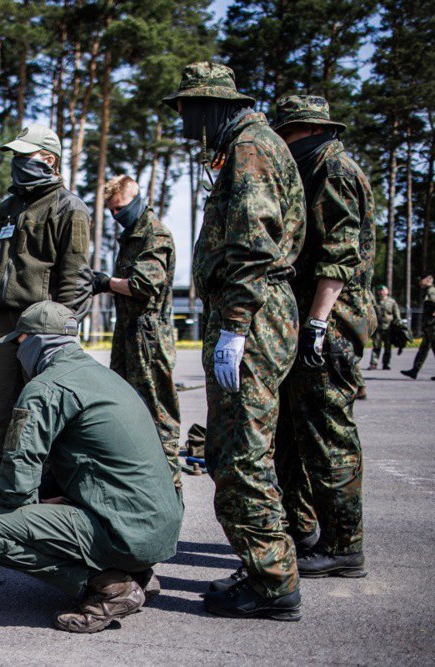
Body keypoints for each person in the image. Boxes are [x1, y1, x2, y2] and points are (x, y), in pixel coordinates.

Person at [164, 62, 305, 620]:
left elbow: (253, 241)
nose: (185, 124)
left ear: (213, 107)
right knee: (235, 449)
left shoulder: (251, 148)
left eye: (189, 112)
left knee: (242, 455)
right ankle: (262, 563)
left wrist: (236, 327)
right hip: (254, 312)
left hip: (253, 315)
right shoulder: (251, 145)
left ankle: (274, 583)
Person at [0, 301, 182, 634]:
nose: (18, 353)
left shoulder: (45, 387)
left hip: (125, 532)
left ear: (35, 341)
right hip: (157, 530)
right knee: (48, 488)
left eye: (20, 343)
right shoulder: (103, 376)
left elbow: (20, 465)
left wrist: (20, 514)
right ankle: (136, 573)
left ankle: (110, 586)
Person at [0, 123, 90, 540]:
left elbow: (73, 280)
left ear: (49, 161)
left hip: (43, 329)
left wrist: (61, 338)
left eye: (25, 157)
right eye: (15, 157)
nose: (17, 164)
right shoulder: (8, 206)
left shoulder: (69, 208)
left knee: (42, 420)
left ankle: (38, 510)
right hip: (2, 327)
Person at [270, 94, 375, 580]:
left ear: (303, 131)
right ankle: (309, 531)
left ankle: (344, 545)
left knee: (330, 439)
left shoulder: (333, 170)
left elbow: (339, 255)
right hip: (311, 322)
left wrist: (315, 324)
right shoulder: (312, 168)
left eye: (285, 136)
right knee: (296, 436)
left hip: (329, 326)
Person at [91, 174, 181, 488]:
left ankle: (171, 491)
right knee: (125, 412)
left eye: (121, 208)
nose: (116, 216)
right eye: (111, 212)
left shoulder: (153, 234)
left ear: (137, 198)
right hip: (128, 335)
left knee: (158, 419)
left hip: (149, 340)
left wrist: (106, 283)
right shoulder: (131, 235)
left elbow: (145, 285)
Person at [402, 274, 435, 380]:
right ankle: (415, 370)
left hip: (433, 325)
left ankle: (414, 370)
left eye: (422, 280)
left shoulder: (431, 290)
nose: (420, 282)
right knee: (423, 349)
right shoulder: (429, 290)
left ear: (428, 280)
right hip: (429, 325)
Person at [369, 285, 400, 370]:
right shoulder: (375, 302)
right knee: (376, 346)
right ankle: (373, 363)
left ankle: (386, 364)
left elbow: (396, 314)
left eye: (383, 290)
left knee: (388, 347)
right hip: (378, 328)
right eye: (379, 290)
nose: (381, 292)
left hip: (388, 328)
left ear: (387, 291)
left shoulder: (392, 302)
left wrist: (398, 324)